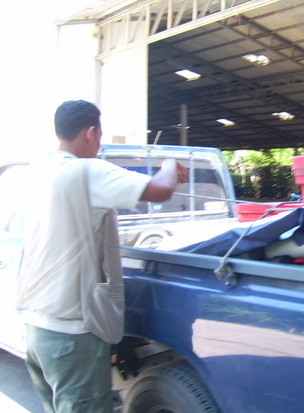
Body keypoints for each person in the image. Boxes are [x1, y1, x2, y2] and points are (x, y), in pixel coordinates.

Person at [15, 100, 188, 413]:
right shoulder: (86, 171)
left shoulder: (39, 171)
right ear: (91, 132)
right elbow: (161, 190)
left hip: (36, 326)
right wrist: (169, 162)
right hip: (71, 332)